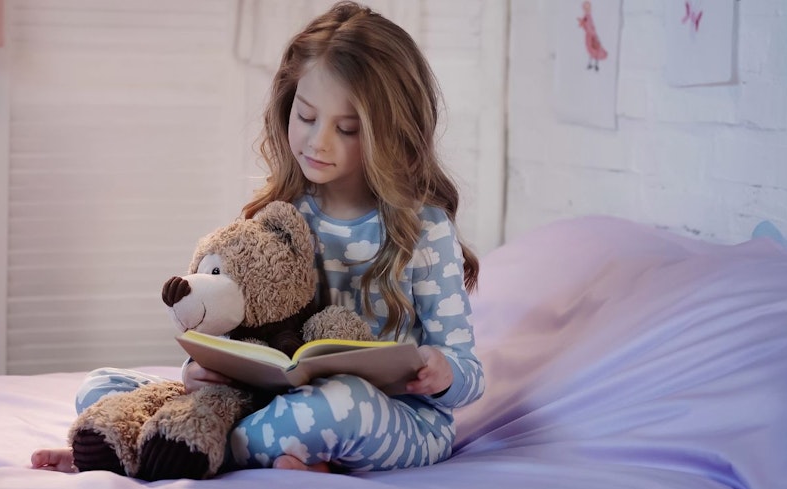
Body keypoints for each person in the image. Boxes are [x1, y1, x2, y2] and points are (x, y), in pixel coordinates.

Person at [32, 0, 484, 475]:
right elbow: (237, 330)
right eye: (306, 117)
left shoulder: (424, 228)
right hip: (273, 399)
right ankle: (188, 438)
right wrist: (200, 371)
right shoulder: (283, 212)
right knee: (101, 385)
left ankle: (149, 447)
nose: (318, 142)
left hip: (394, 418)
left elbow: (469, 373)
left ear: (392, 133)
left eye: (347, 129)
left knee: (338, 405)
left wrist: (443, 371)